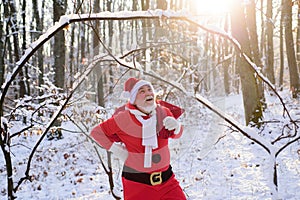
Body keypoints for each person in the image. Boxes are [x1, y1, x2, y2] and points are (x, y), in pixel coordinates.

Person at [90, 77, 186, 200]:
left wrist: (177, 127)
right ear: (134, 99)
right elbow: (96, 133)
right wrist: (119, 151)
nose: (148, 93)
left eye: (149, 89)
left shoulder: (163, 112)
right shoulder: (123, 118)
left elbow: (177, 134)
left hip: (167, 182)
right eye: (142, 91)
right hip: (137, 184)